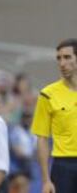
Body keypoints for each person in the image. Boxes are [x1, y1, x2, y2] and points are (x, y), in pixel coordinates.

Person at [31, 39, 77, 193]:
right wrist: (45, 180)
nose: (62, 63)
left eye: (67, 57)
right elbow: (42, 138)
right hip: (63, 167)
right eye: (59, 58)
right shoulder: (47, 94)